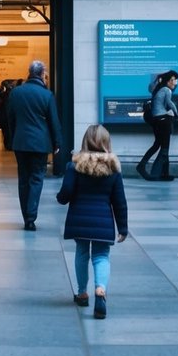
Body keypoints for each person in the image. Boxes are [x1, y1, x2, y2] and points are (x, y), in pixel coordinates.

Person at [57, 124, 129, 321]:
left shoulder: (75, 166)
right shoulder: (113, 168)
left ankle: (82, 293)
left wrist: (60, 196)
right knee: (101, 256)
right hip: (103, 222)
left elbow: (66, 194)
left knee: (81, 253)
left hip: (80, 219)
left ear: (85, 142)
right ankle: (100, 290)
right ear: (106, 143)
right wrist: (123, 227)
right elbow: (119, 201)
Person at [6, 60, 62, 231]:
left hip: (21, 142)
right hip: (40, 143)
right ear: (42, 73)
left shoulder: (16, 92)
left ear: (29, 72)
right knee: (37, 178)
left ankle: (26, 216)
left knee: (23, 178)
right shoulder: (46, 94)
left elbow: (10, 118)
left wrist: (13, 137)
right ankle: (31, 216)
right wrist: (57, 142)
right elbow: (54, 121)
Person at [136, 69, 178, 182]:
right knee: (165, 148)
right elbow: (170, 103)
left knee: (158, 145)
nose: (175, 82)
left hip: (157, 120)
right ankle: (158, 172)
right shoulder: (166, 90)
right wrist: (176, 113)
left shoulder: (158, 89)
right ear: (168, 81)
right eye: (173, 80)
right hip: (163, 120)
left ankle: (160, 171)